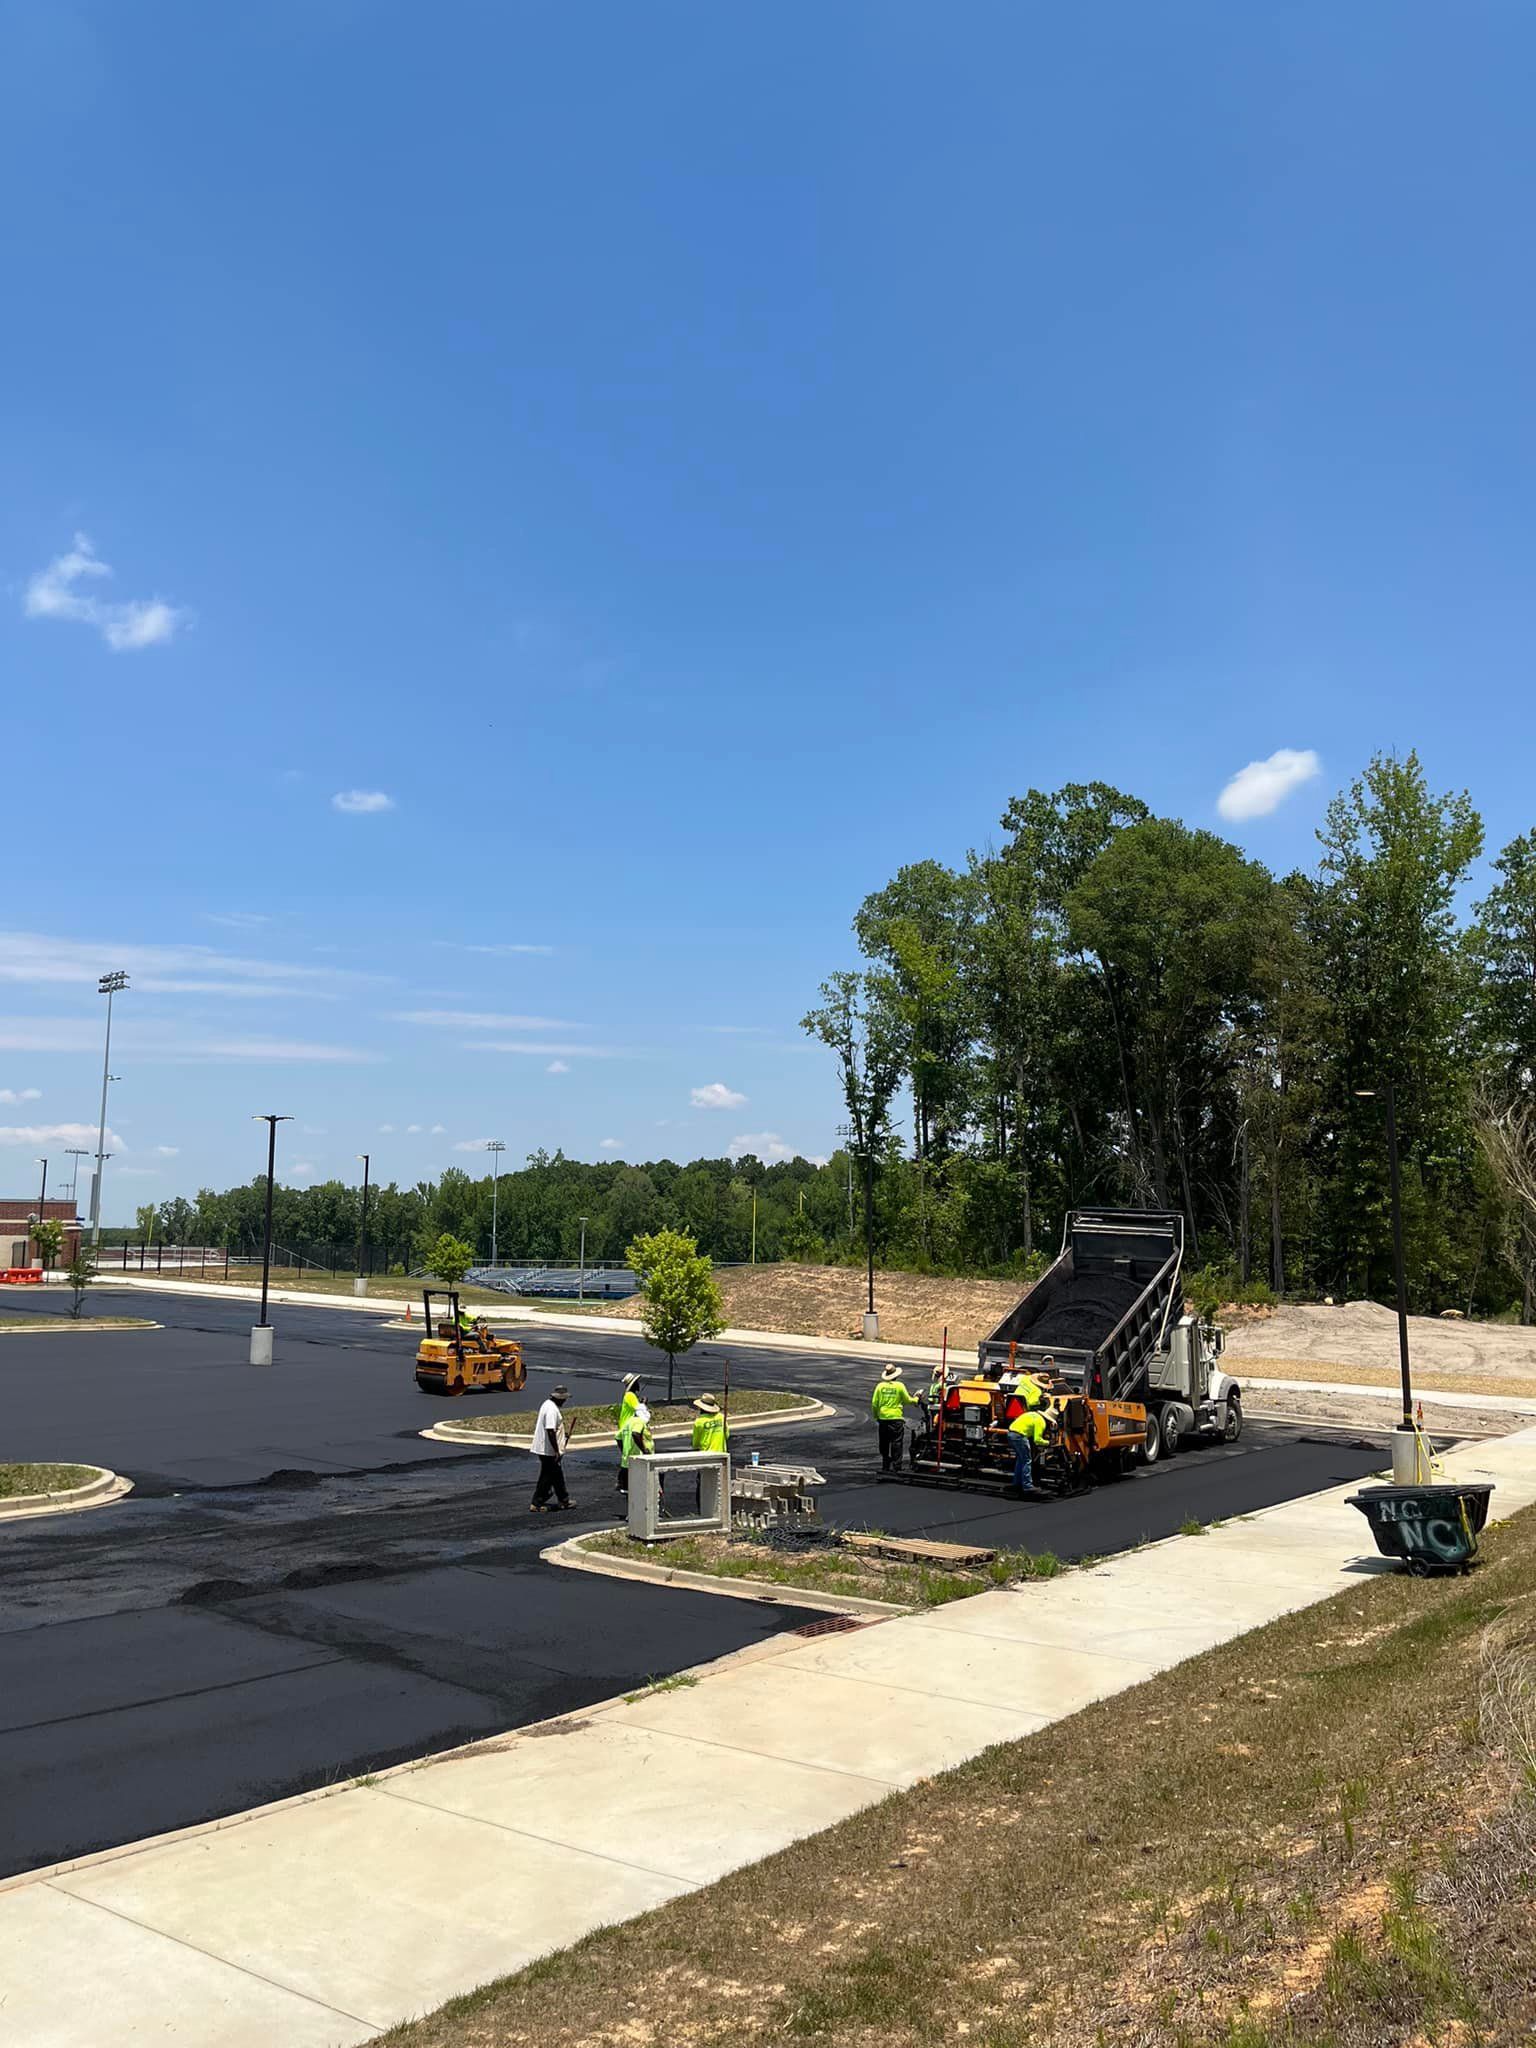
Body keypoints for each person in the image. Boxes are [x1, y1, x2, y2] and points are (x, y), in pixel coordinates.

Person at [529, 1384, 575, 1511]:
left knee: (555, 1475)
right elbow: (550, 1430)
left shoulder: (547, 1405)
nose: (565, 1401)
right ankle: (538, 1502)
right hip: (548, 1450)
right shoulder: (552, 1410)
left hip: (546, 1448)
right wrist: (556, 1451)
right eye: (564, 1399)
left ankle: (563, 1499)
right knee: (548, 1476)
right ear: (559, 1398)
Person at [871, 1363, 919, 1472]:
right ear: (896, 1375)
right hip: (896, 1419)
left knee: (884, 1442)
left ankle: (885, 1464)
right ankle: (897, 1466)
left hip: (883, 1418)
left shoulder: (880, 1386)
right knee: (896, 1443)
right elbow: (907, 1400)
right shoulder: (899, 1386)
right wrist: (916, 1399)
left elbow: (874, 1403)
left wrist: (876, 1416)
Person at [616, 1372, 653, 1496]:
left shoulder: (629, 1396)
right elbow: (641, 1411)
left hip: (626, 1427)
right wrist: (644, 1404)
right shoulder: (631, 1395)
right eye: (637, 1383)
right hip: (631, 1427)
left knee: (626, 1456)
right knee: (633, 1454)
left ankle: (622, 1482)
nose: (639, 1385)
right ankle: (627, 1485)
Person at [1009, 1404, 1049, 1494]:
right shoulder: (1041, 1421)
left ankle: (1017, 1483)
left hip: (1011, 1434)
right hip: (1020, 1436)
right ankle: (1027, 1486)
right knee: (1027, 1460)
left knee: (1020, 1460)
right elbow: (1037, 1440)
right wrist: (1048, 1443)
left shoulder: (1030, 1414)